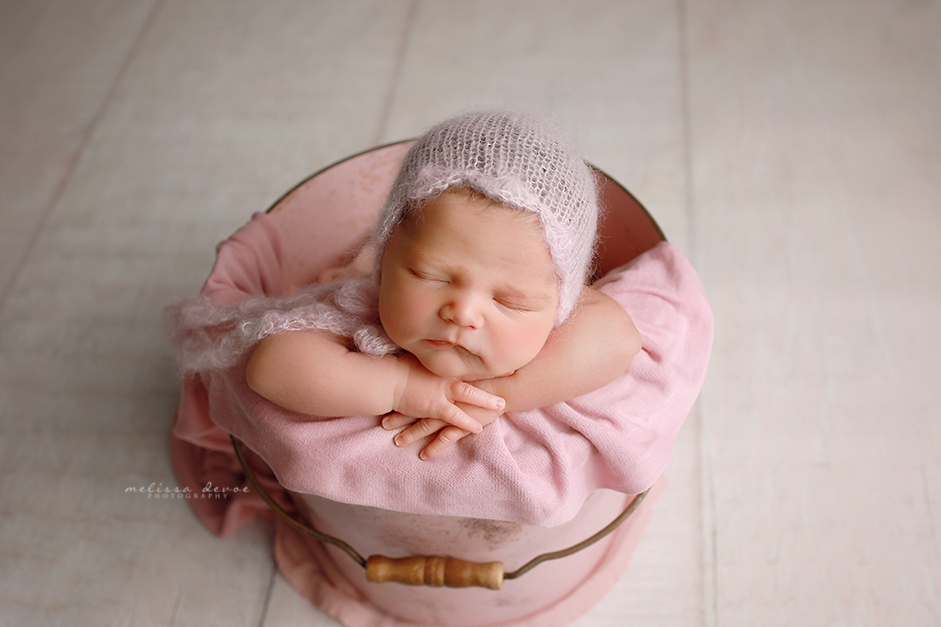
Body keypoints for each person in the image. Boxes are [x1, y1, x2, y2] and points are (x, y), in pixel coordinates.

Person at [174, 109, 642, 459]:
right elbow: (271, 368)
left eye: (510, 301)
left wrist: (496, 397)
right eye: (430, 276)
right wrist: (399, 386)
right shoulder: (364, 316)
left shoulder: (557, 337)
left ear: (561, 304)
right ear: (385, 258)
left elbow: (619, 337)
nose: (463, 312)